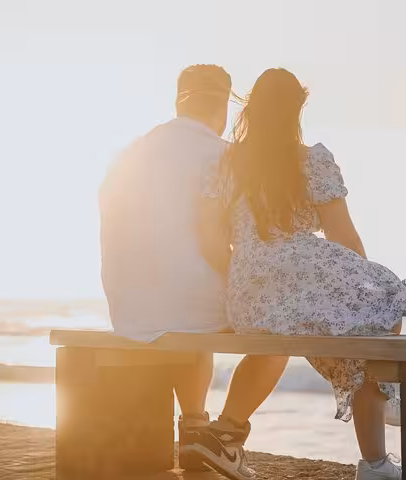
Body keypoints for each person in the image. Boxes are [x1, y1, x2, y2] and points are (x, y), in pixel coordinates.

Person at [194, 68, 406, 480]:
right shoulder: (311, 158)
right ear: (297, 107)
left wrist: (241, 280)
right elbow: (342, 234)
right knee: (383, 305)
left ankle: (378, 447)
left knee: (341, 341)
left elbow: (210, 236)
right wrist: (360, 281)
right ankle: (378, 442)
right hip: (300, 269)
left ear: (251, 107)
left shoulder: (226, 162)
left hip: (248, 290)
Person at [99, 65, 288, 480]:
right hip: (185, 302)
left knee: (193, 318)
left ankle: (195, 432)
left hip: (128, 306)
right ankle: (226, 438)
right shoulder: (223, 155)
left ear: (177, 101)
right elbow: (225, 241)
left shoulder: (131, 151)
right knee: (279, 336)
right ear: (223, 107)